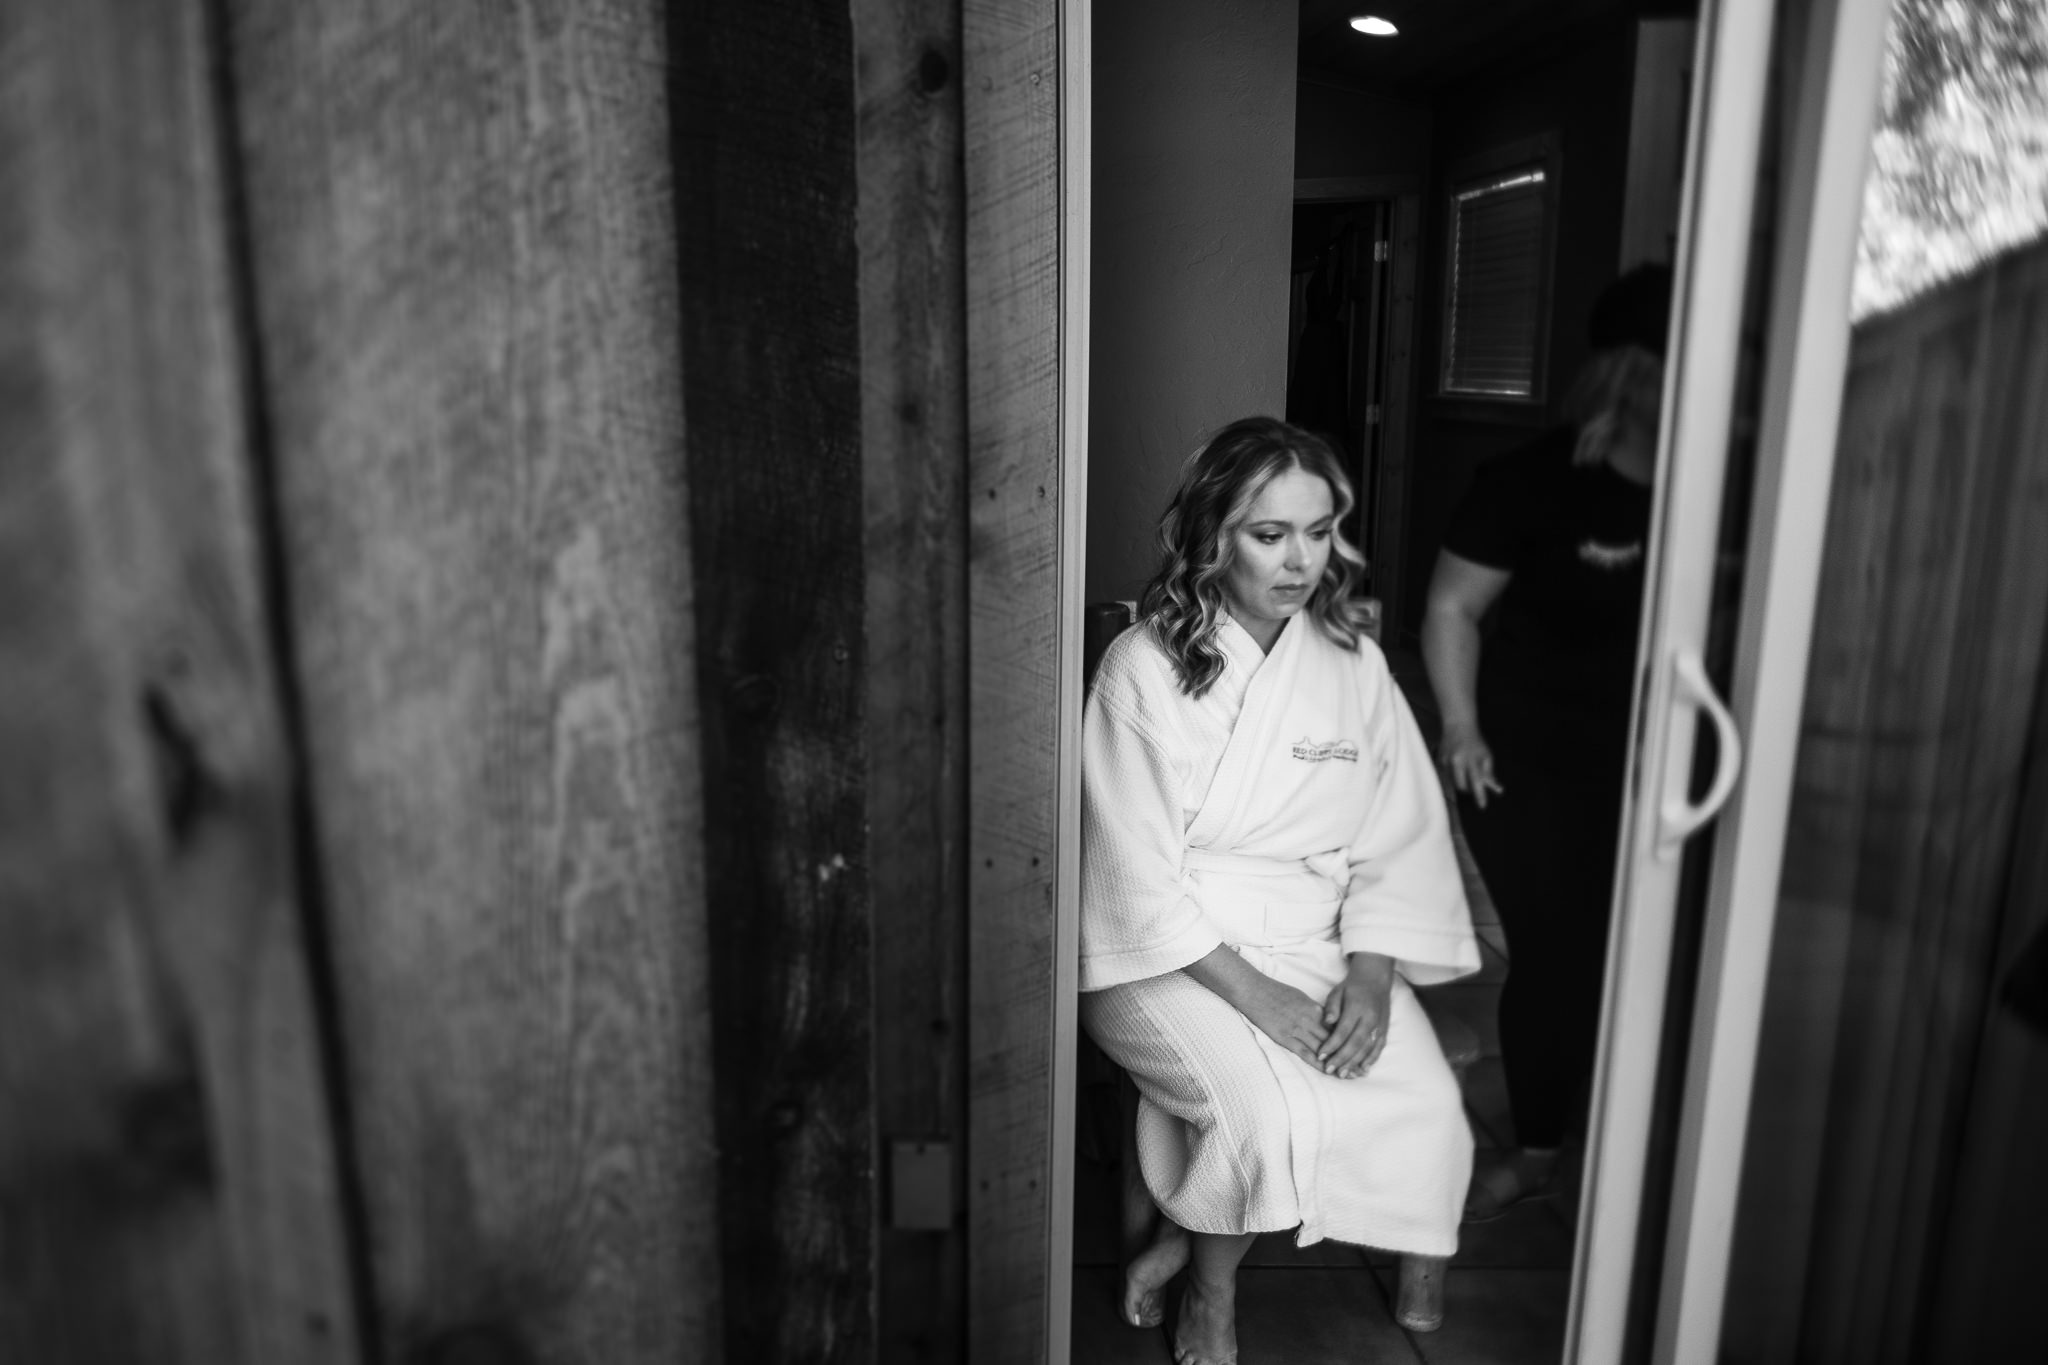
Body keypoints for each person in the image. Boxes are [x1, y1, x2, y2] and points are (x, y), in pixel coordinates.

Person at [1081, 417, 1481, 1363]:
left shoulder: (1351, 664)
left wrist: (1374, 974)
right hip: (1160, 950)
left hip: (1314, 932)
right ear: (1215, 536)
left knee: (1417, 1097)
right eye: (1270, 534)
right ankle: (1211, 1296)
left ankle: (1183, 1238)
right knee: (1261, 1108)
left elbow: (1400, 834)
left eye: (1317, 530)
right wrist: (1261, 999)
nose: (1299, 560)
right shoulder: (1143, 668)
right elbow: (1129, 871)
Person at [1420, 264, 1673, 1220]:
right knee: (1560, 951)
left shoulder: (1734, 491)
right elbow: (1451, 606)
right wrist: (1461, 725)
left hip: (1663, 761)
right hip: (1524, 755)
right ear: (1629, 373)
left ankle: (1632, 1137)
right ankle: (1534, 1149)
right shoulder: (1532, 483)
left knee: (1644, 953)